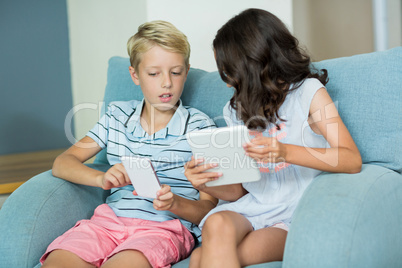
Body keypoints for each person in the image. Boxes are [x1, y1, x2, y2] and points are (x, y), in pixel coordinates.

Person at [184, 8, 362, 268]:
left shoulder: (309, 94)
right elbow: (238, 191)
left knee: (201, 257)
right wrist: (204, 183)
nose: (226, 82)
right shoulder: (234, 110)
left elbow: (351, 159)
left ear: (253, 64)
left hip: (294, 211)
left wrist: (284, 152)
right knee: (216, 222)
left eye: (228, 71)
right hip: (255, 206)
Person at [40, 20, 218, 268]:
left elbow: (208, 208)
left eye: (175, 72)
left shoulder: (201, 127)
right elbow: (62, 163)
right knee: (59, 262)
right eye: (154, 73)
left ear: (186, 72)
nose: (166, 82)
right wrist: (101, 179)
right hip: (108, 222)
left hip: (164, 228)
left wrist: (175, 203)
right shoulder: (117, 116)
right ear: (135, 75)